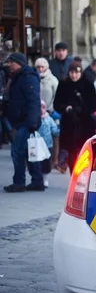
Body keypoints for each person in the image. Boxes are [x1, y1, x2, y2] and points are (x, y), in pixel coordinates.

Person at [2, 53, 44, 192]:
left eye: (11, 63)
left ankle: (19, 182)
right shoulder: (17, 77)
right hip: (22, 120)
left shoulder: (27, 78)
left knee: (18, 151)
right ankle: (37, 180)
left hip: (26, 121)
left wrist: (32, 123)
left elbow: (33, 101)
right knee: (28, 151)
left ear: (19, 63)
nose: (9, 66)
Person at [54, 61, 96, 173]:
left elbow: (94, 105)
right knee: (71, 152)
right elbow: (57, 104)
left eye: (76, 73)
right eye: (72, 72)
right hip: (69, 124)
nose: (74, 75)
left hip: (84, 124)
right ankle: (74, 175)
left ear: (81, 72)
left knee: (85, 151)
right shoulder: (63, 84)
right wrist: (65, 108)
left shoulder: (88, 84)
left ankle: (85, 175)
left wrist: (82, 109)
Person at [38, 100, 59, 187]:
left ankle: (45, 177)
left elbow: (54, 129)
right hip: (37, 145)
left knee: (46, 163)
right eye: (39, 107)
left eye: (43, 107)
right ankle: (38, 178)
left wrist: (57, 131)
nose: (41, 110)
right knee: (38, 162)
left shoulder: (49, 119)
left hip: (47, 145)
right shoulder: (35, 119)